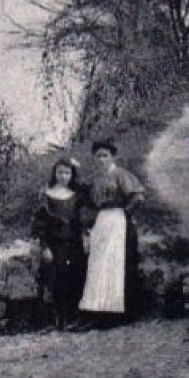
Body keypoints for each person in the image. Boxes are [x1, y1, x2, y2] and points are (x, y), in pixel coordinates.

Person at [79, 139, 146, 326]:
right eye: (98, 156)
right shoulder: (96, 178)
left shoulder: (121, 174)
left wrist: (125, 211)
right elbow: (89, 201)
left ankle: (118, 313)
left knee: (116, 264)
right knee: (98, 264)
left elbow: (138, 196)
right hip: (101, 221)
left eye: (105, 155)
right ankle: (100, 311)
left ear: (112, 156)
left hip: (118, 220)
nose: (101, 159)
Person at [31, 158, 88, 330]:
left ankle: (73, 319)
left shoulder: (76, 196)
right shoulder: (47, 195)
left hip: (74, 242)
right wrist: (45, 247)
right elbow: (40, 224)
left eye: (67, 173)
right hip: (55, 243)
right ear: (54, 174)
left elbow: (83, 216)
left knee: (75, 277)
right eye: (60, 172)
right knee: (56, 279)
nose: (64, 176)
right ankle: (57, 320)